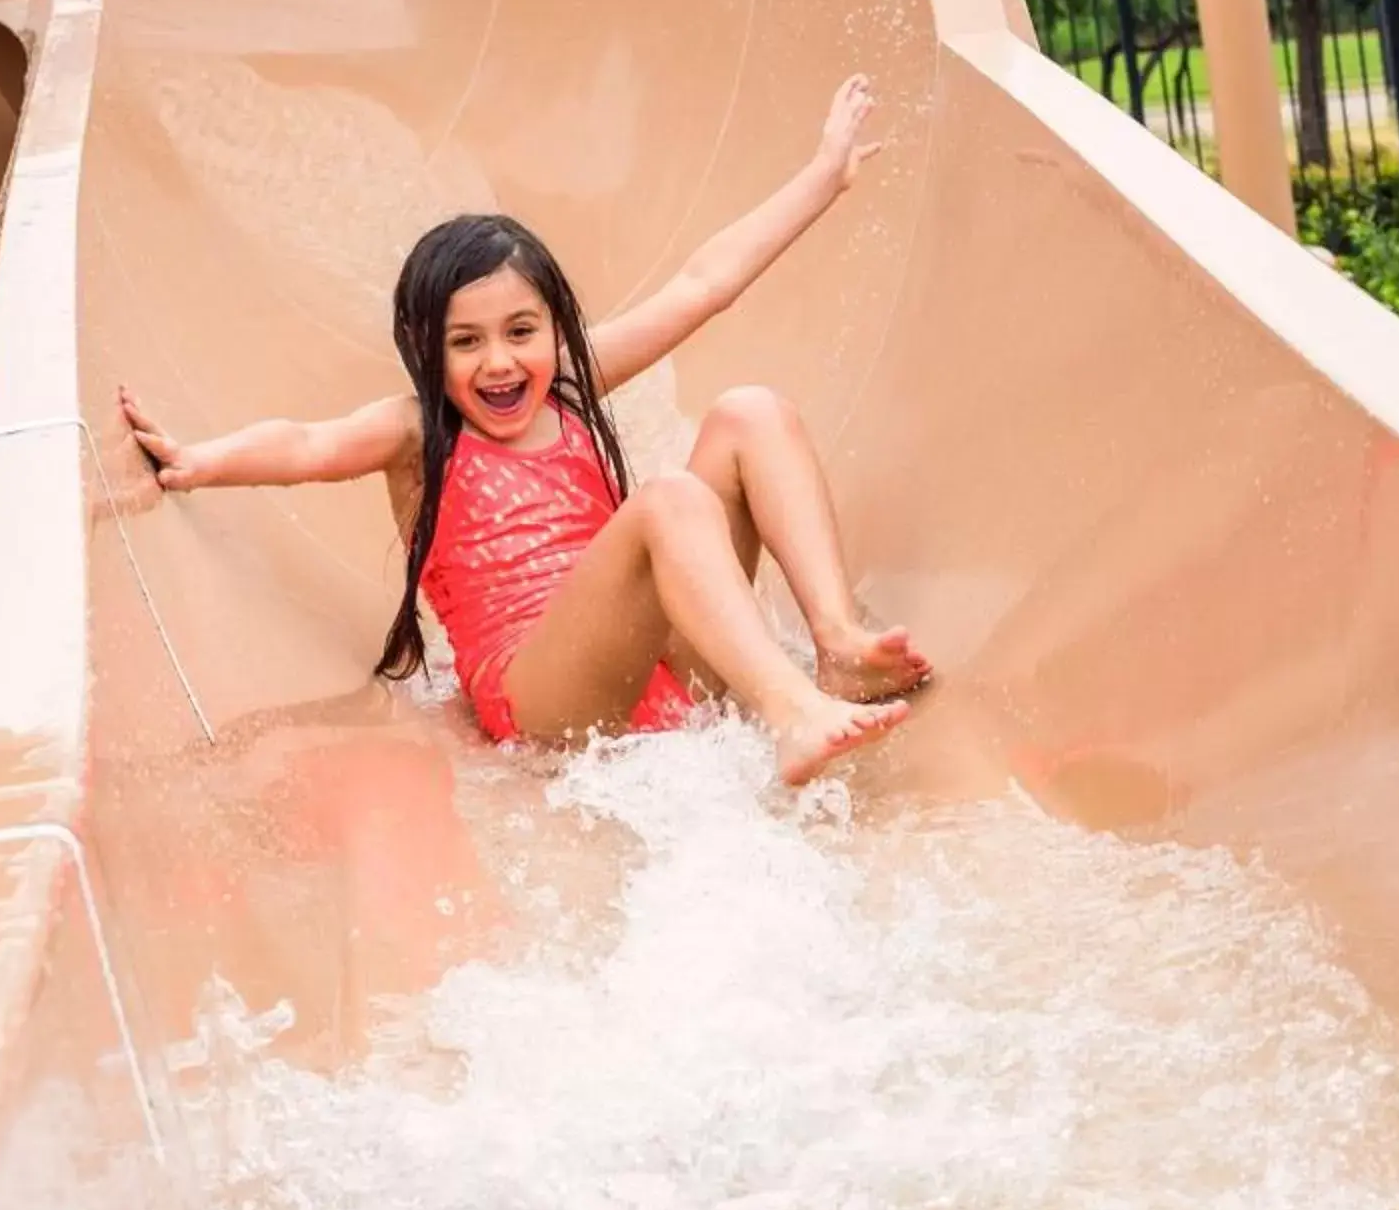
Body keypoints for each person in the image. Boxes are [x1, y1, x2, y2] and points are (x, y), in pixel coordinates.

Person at [118, 77, 929, 787]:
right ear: (423, 348)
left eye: (520, 332)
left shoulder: (572, 387)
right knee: (668, 500)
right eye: (464, 342)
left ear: (555, 329)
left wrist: (823, 180)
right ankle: (790, 712)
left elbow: (702, 284)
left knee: (750, 411)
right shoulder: (415, 434)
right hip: (539, 692)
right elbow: (306, 445)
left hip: (650, 660)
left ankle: (838, 645)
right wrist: (198, 460)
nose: (498, 362)